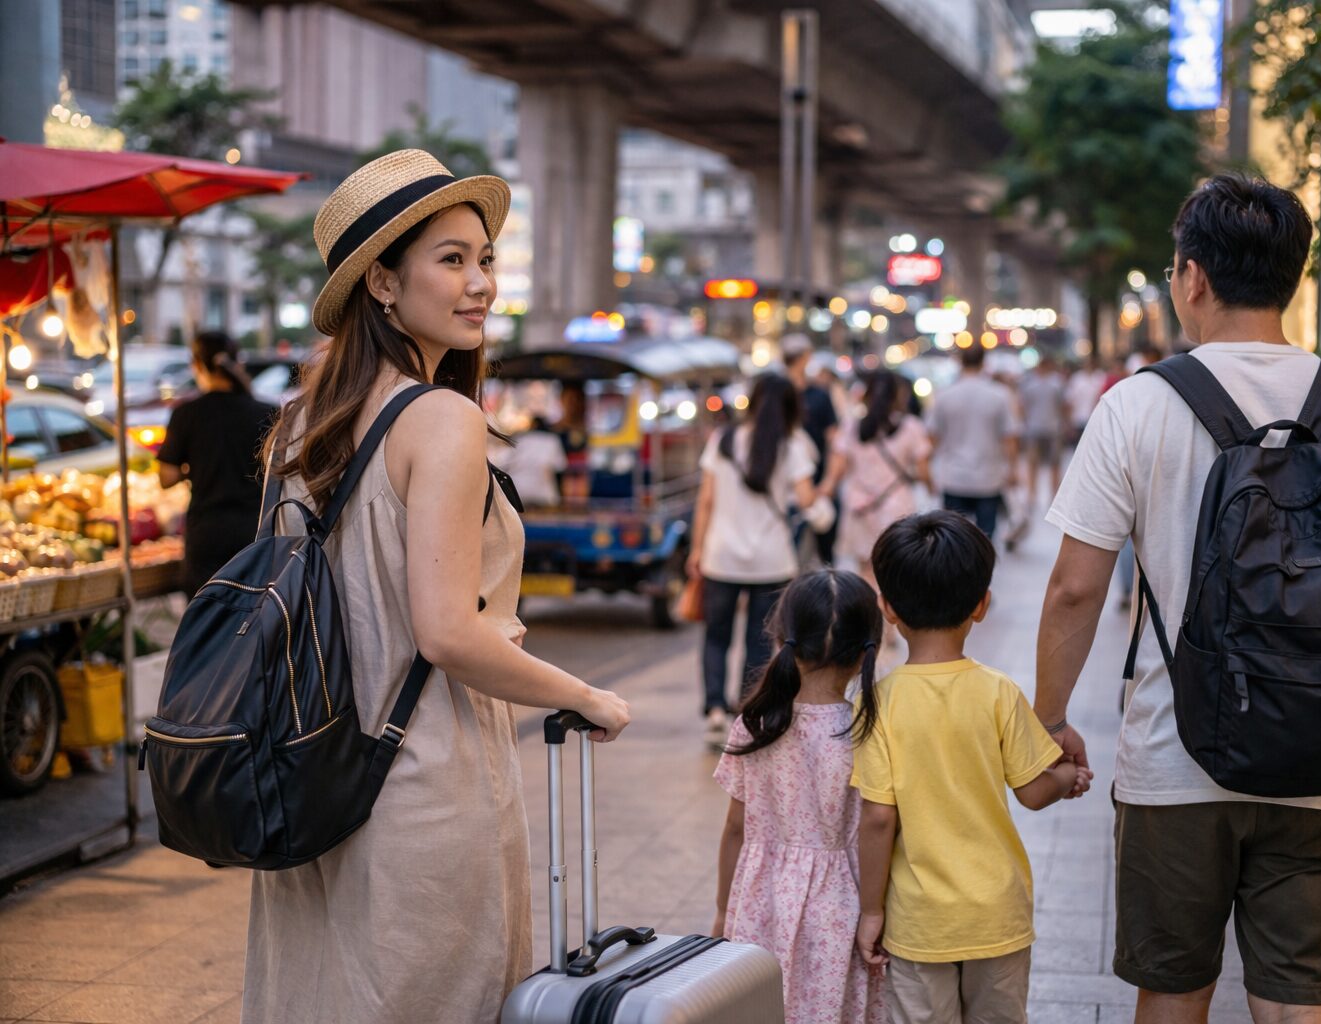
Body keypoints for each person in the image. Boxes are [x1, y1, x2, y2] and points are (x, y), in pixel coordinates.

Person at [1035, 173, 1321, 1024]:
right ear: (1296, 275)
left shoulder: (1136, 406)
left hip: (1177, 761)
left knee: (1174, 992)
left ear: (1192, 278)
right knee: (1297, 1003)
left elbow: (1075, 588)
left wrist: (1047, 722)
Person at [243, 150, 631, 1024]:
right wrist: (587, 696)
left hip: (310, 777)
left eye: (485, 258)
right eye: (450, 259)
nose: (480, 284)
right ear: (382, 281)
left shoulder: (302, 423)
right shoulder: (442, 419)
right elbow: (448, 634)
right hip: (422, 781)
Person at [853, 511, 1091, 1024]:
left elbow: (876, 817)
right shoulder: (998, 691)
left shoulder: (880, 703)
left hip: (920, 923)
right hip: (997, 913)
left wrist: (871, 910)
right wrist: (1070, 778)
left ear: (888, 608)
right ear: (982, 604)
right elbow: (1032, 790)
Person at [711, 569, 886, 1024]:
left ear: (781, 636)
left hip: (759, 899)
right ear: (866, 649)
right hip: (841, 906)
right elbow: (878, 827)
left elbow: (734, 829)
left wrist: (721, 910)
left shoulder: (756, 724)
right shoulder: (867, 730)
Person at [688, 373, 833, 749]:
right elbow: (806, 499)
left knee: (716, 637)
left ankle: (714, 712)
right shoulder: (792, 444)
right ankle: (743, 711)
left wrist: (697, 549)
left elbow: (706, 500)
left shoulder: (724, 440)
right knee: (758, 640)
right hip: (771, 560)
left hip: (721, 556)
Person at [157, 330, 277, 595]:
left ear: (197, 366)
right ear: (238, 363)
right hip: (256, 532)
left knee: (205, 622)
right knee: (251, 621)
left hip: (207, 534)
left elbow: (167, 477)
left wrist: (194, 467)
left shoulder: (186, 414)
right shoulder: (267, 412)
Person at [823, 370, 931, 585]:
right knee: (894, 570)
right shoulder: (911, 427)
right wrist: (930, 485)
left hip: (860, 505)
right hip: (897, 504)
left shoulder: (852, 427)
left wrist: (825, 489)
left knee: (865, 569)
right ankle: (889, 615)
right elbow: (923, 470)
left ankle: (870, 613)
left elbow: (836, 470)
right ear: (898, 395)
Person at [926, 344, 1020, 539]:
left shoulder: (944, 395)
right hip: (989, 478)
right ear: (984, 362)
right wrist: (1012, 469)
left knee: (951, 539)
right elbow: (1009, 437)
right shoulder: (1000, 394)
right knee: (985, 538)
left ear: (960, 361)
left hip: (953, 476)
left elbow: (932, 437)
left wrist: (928, 470)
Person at [782, 333, 842, 564]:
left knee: (823, 549)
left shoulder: (818, 394)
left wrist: (829, 482)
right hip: (788, 490)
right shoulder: (779, 392)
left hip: (815, 485)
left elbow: (834, 441)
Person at [1017, 353, 1068, 514]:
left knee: (1050, 464)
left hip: (1048, 428)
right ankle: (1035, 495)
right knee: (1038, 463)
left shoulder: (1054, 382)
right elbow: (1022, 406)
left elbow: (1064, 405)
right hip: (1040, 428)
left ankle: (1047, 496)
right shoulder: (1033, 383)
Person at [1064, 354, 1106, 447]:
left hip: (1095, 419)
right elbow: (1070, 401)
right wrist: (1069, 423)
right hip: (1078, 419)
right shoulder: (1076, 379)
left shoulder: (1101, 377)